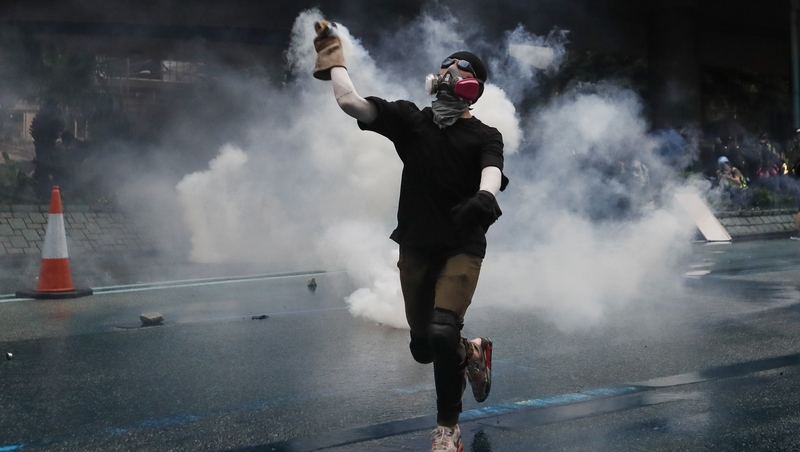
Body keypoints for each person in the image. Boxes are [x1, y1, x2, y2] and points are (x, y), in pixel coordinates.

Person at [313, 21, 507, 452]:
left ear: (471, 85)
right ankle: (473, 352)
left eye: (457, 69)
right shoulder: (411, 121)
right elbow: (350, 102)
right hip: (416, 246)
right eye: (444, 67)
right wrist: (333, 58)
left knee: (441, 333)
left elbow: (492, 168)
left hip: (462, 246)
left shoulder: (484, 135)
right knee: (424, 346)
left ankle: (447, 429)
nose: (446, 74)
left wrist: (483, 195)